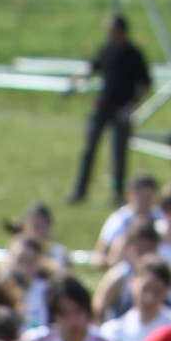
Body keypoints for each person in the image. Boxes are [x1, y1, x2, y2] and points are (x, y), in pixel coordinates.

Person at [68, 14, 152, 205]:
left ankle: (118, 194)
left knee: (119, 154)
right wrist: (76, 80)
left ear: (120, 31)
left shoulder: (134, 54)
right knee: (89, 150)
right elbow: (94, 67)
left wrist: (132, 106)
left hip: (122, 110)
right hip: (102, 107)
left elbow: (145, 84)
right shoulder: (107, 49)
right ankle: (80, 191)